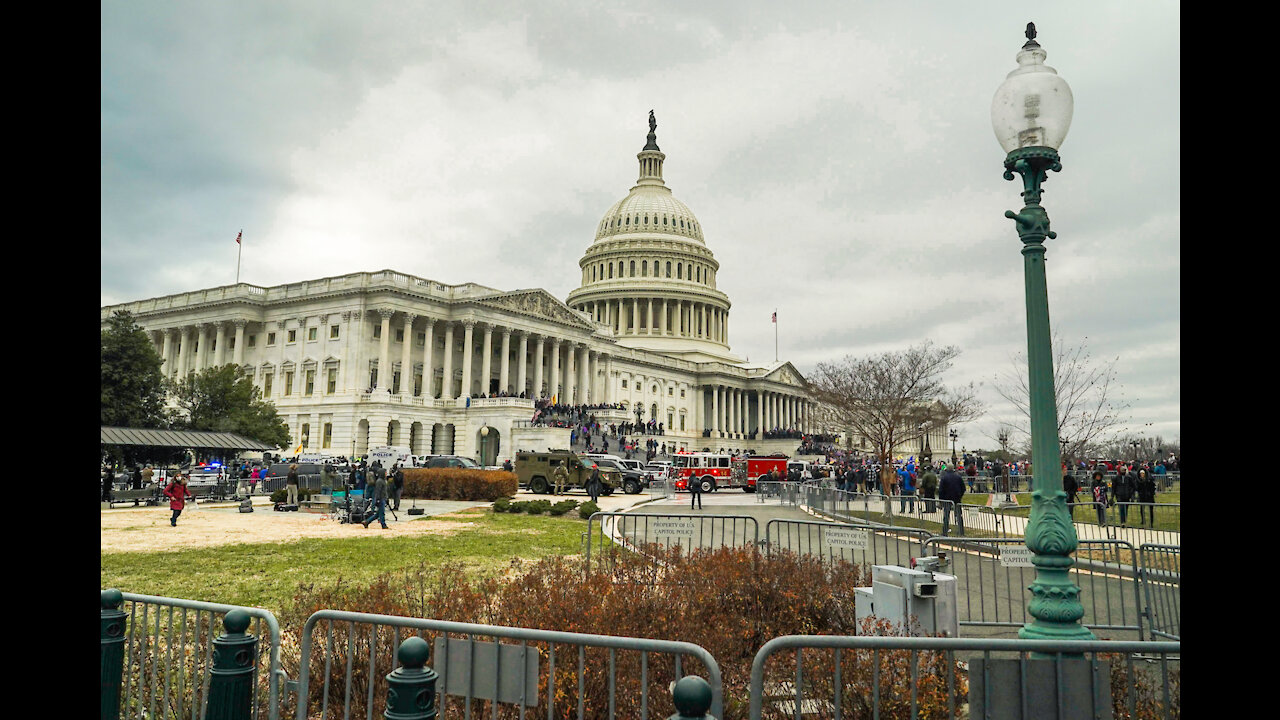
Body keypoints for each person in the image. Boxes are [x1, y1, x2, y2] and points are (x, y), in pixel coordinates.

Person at [938, 464, 965, 536]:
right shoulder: (958, 477)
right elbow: (963, 488)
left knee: (946, 516)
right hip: (957, 498)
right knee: (959, 516)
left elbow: (941, 490)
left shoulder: (944, 478)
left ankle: (945, 531)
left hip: (947, 499)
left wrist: (941, 500)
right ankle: (961, 532)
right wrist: (960, 495)